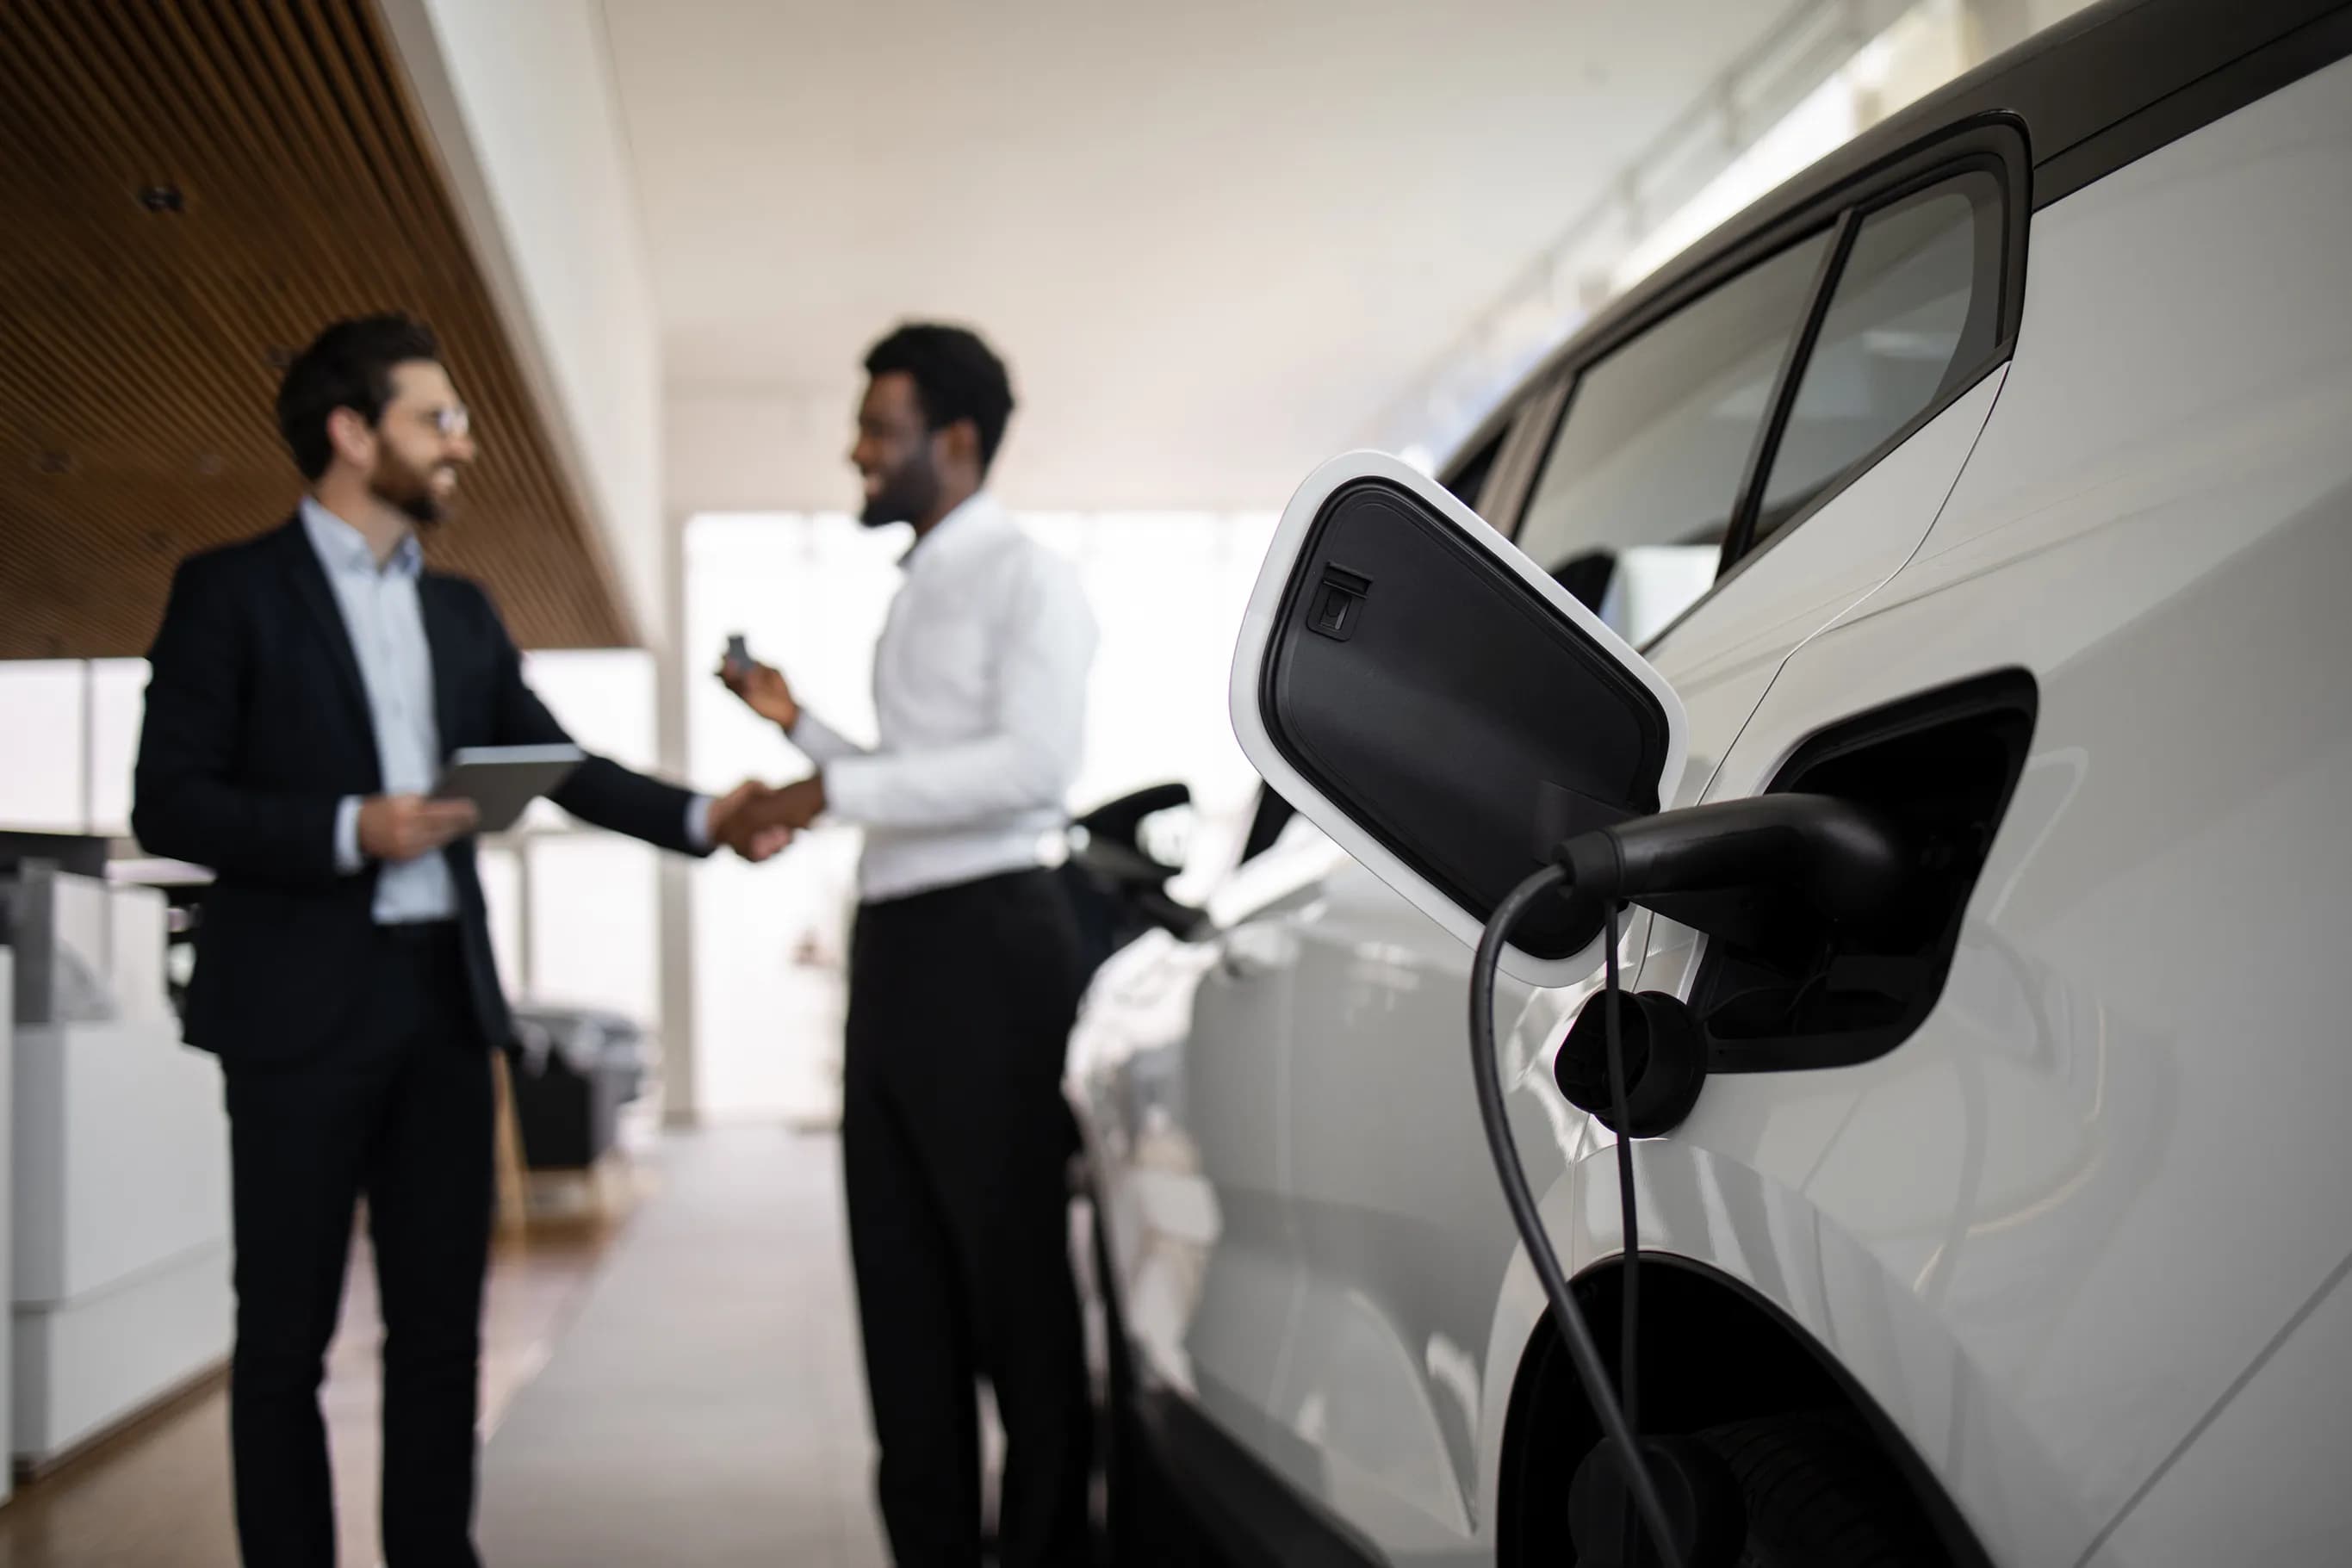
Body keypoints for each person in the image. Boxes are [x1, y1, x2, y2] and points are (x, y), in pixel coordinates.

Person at [131, 313, 779, 1568]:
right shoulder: (229, 591)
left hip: (438, 1010)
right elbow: (171, 800)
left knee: (441, 1335)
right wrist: (346, 826)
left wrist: (705, 815)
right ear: (349, 431)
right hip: (295, 1018)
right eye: (436, 420)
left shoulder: (464, 612)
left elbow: (556, 765)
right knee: (284, 1343)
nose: (461, 444)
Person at [719, 323, 1099, 1567]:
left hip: (992, 949)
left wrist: (831, 791)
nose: (859, 451)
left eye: (879, 430)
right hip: (901, 950)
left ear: (956, 440)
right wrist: (804, 729)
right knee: (903, 1298)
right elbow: (903, 778)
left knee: (1013, 1298)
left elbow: (1033, 771)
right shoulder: (925, 583)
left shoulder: (1025, 576)